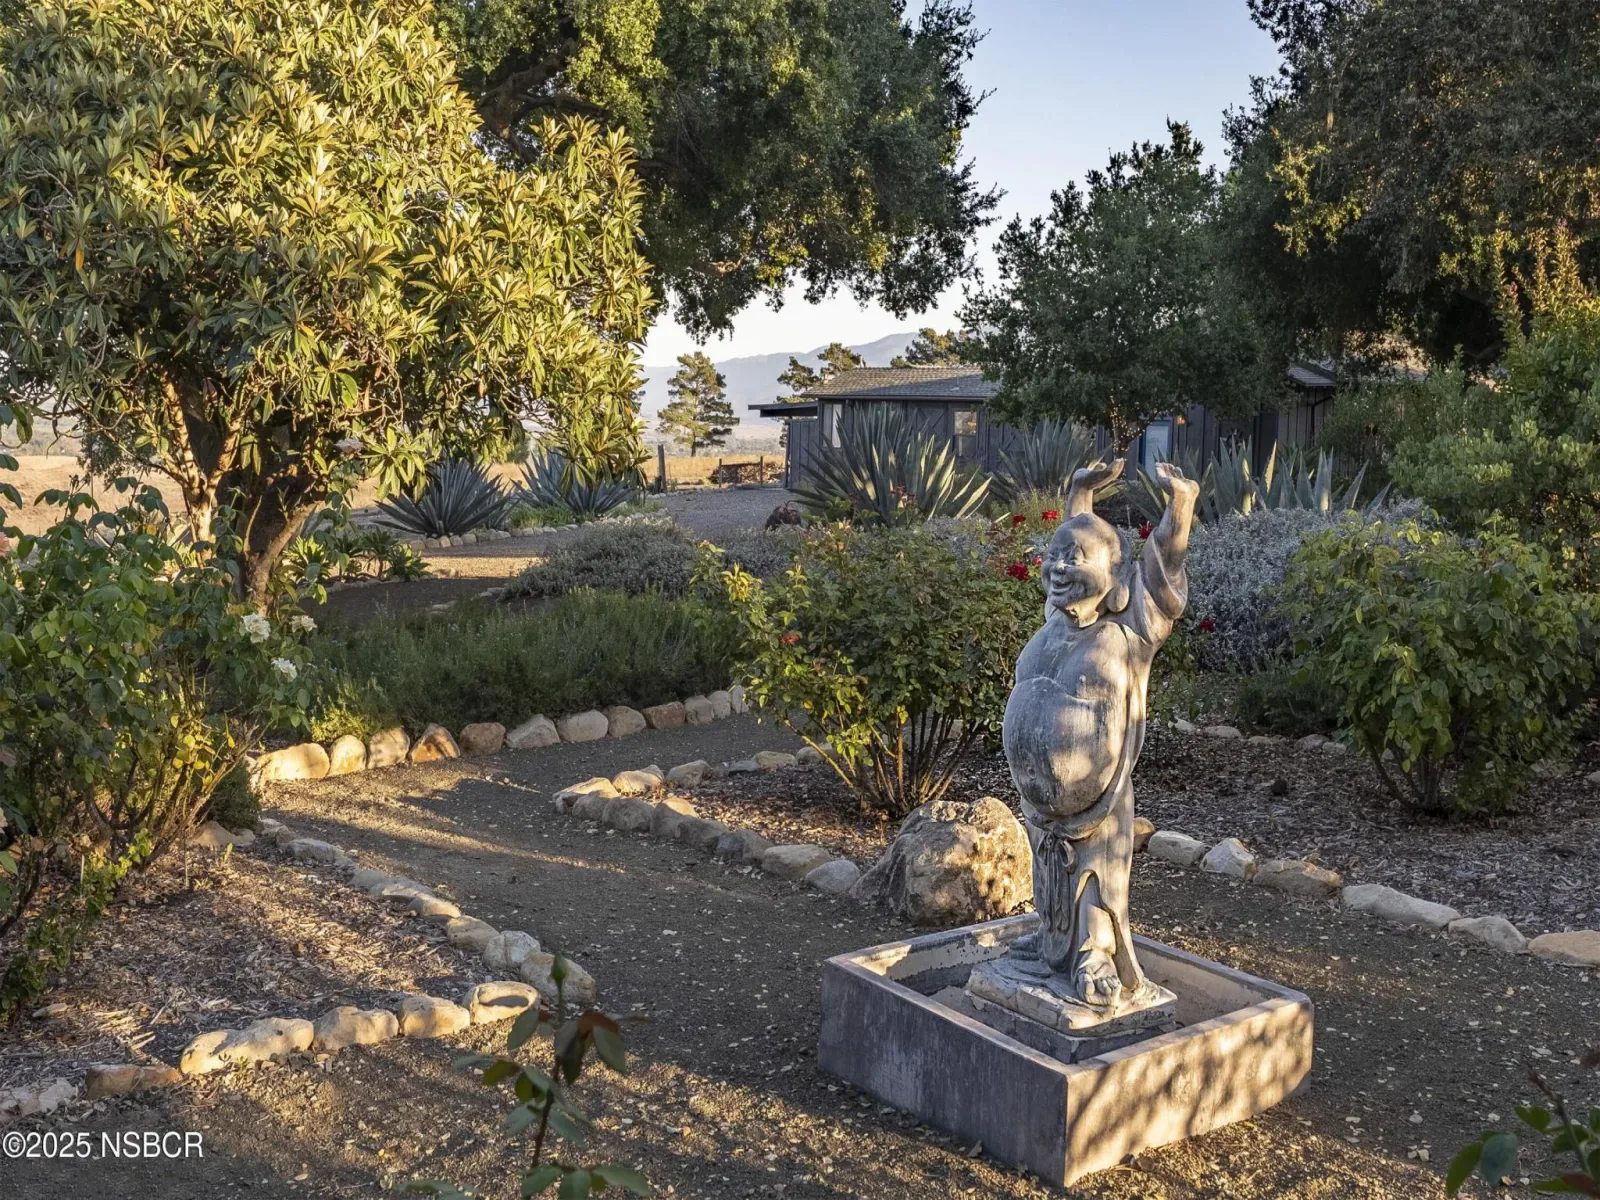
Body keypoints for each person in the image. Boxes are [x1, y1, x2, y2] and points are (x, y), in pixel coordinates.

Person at [1001, 459, 1198, 1010]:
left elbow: (1163, 563)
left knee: (1095, 870)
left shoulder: (1131, 628)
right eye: (1054, 556)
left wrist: (1180, 504)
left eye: (1076, 558)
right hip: (1042, 800)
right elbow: (1078, 540)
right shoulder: (1056, 618)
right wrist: (1079, 492)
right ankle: (1052, 941)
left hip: (1098, 799)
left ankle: (1095, 952)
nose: (1060, 567)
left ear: (1116, 578)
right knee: (1050, 871)